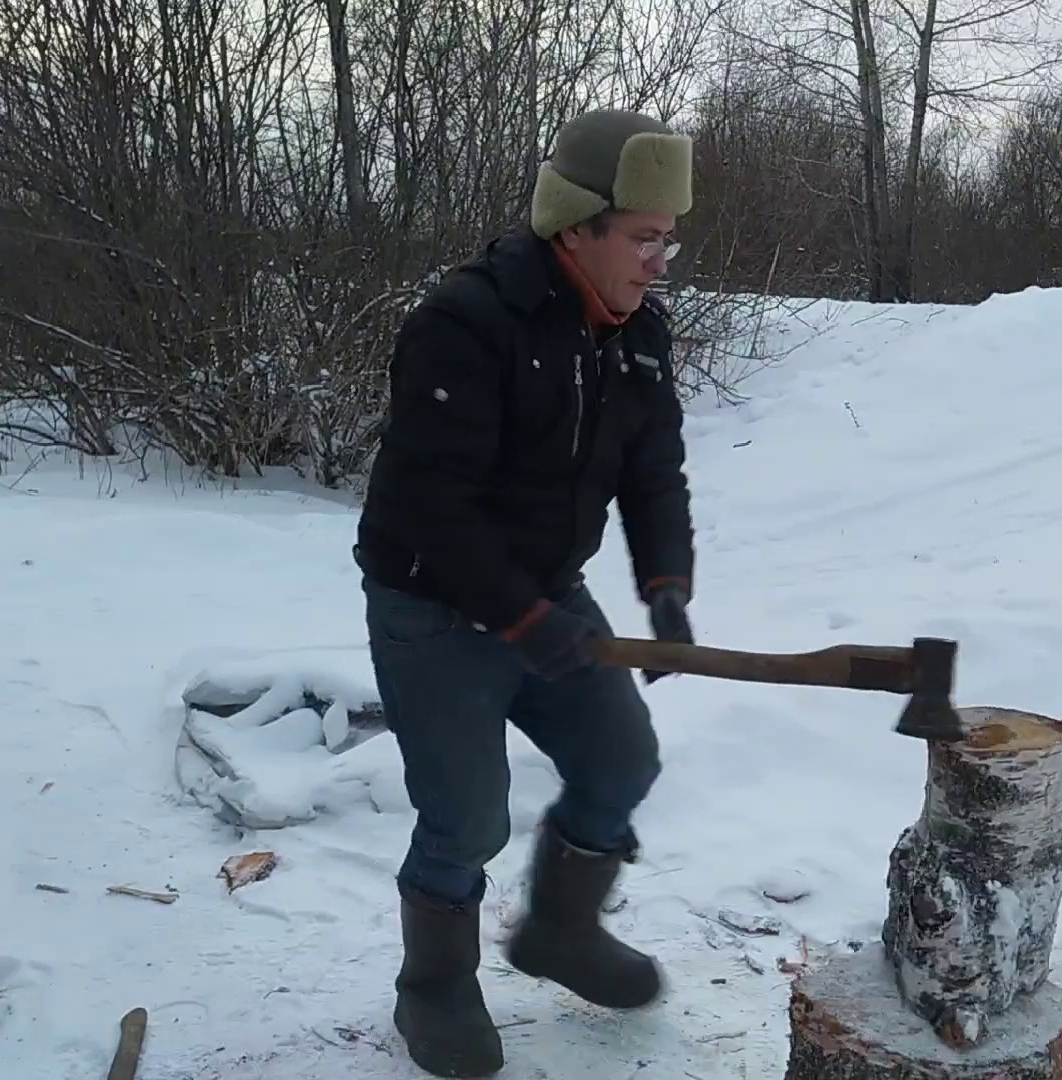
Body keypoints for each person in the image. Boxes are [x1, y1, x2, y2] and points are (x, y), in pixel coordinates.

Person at [352, 108, 699, 1078]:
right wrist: (520, 618)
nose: (658, 259)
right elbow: (430, 504)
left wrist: (667, 586)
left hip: (547, 594)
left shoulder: (637, 338)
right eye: (641, 237)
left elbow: (654, 472)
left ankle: (558, 931)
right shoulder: (468, 323)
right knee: (468, 817)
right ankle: (432, 985)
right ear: (575, 227)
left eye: (666, 238)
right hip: (433, 606)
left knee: (621, 759)